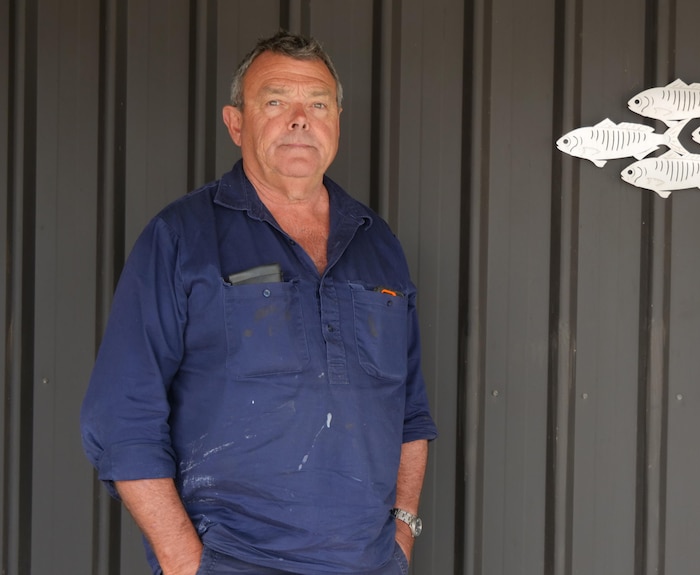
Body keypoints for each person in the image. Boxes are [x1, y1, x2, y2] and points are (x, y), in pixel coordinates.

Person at [80, 30, 437, 575]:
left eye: (317, 103)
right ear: (236, 123)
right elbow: (122, 416)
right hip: (230, 562)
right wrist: (184, 563)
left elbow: (410, 411)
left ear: (337, 120)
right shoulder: (181, 237)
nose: (300, 118)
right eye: (276, 102)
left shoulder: (377, 243)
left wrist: (402, 536)